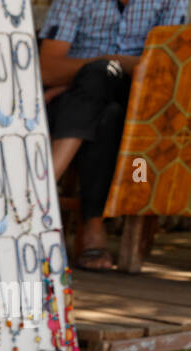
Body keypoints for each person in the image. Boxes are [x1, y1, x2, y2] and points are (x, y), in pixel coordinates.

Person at [39, 0, 187, 270]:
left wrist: (110, 63)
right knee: (107, 111)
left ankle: (42, 191)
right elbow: (47, 69)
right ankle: (93, 223)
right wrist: (99, 68)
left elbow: (165, 67)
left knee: (104, 74)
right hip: (80, 103)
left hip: (139, 105)